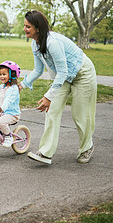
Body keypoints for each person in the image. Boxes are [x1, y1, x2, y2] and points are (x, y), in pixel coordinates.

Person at [19, 10, 97, 164]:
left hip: (82, 73)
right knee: (51, 110)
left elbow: (62, 71)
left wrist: (48, 96)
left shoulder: (52, 42)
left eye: (28, 27)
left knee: (79, 114)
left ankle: (86, 147)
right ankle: (45, 153)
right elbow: (38, 70)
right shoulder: (35, 44)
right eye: (24, 26)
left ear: (38, 28)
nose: (24, 29)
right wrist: (22, 85)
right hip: (64, 76)